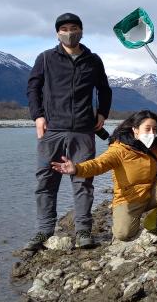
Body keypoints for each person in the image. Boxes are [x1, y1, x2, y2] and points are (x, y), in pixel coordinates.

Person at [25, 13, 111, 250]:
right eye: (64, 28)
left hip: (83, 131)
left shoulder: (93, 60)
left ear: (81, 31)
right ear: (57, 33)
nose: (69, 32)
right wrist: (38, 116)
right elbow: (33, 89)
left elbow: (104, 89)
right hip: (52, 130)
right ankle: (43, 231)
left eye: (74, 28)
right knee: (45, 181)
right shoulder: (45, 59)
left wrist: (102, 113)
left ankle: (83, 230)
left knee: (83, 181)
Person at [50, 111, 157, 241]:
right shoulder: (119, 149)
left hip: (150, 194)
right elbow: (99, 164)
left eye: (154, 129)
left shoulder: (153, 147)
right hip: (129, 200)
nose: (152, 133)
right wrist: (77, 168)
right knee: (123, 234)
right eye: (147, 129)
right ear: (135, 130)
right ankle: (137, 218)